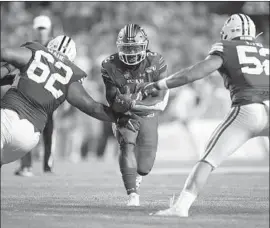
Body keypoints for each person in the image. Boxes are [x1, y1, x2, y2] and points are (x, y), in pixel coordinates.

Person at [141, 14, 269, 217]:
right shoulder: (266, 51)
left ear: (229, 32)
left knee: (207, 160)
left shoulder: (226, 47)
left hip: (248, 108)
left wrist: (162, 84)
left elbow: (195, 72)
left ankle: (181, 207)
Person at [0, 35, 116, 166]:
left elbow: (4, 53)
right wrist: (124, 116)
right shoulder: (70, 75)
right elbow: (94, 108)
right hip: (28, 139)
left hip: (9, 116)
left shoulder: (36, 51)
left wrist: (10, 68)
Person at [101, 24, 169, 206]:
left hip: (147, 113)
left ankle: (137, 176)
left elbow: (159, 98)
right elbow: (113, 98)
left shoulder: (156, 61)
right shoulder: (109, 64)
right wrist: (124, 108)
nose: (131, 52)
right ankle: (132, 194)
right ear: (119, 47)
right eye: (126, 48)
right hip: (126, 114)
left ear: (145, 46)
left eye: (135, 47)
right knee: (127, 145)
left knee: (145, 167)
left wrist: (132, 102)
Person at [14, 15, 55, 176]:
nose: (41, 32)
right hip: (31, 95)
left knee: (48, 131)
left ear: (49, 29)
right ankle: (26, 165)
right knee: (26, 129)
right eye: (39, 28)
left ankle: (48, 165)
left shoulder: (54, 47)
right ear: (34, 29)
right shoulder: (29, 47)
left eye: (44, 28)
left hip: (49, 95)